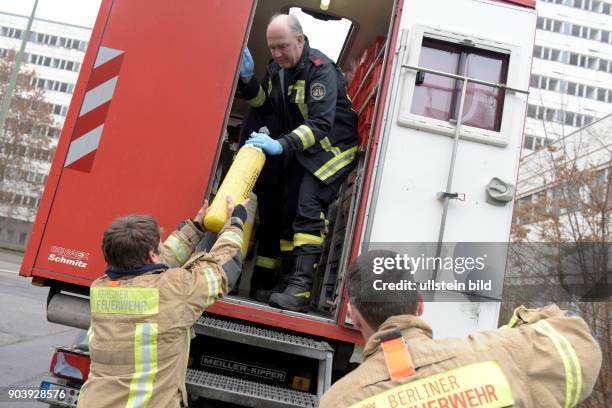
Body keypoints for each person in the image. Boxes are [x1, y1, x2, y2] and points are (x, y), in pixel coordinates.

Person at [320, 250, 603, 408]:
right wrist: (513, 332)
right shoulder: (506, 355)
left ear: (353, 316)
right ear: (419, 304)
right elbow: (578, 342)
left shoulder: (340, 400)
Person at [238, 13, 359, 312]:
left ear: (300, 41)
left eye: (283, 46)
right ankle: (288, 280)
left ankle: (301, 289)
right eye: (272, 48)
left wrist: (281, 144)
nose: (277, 54)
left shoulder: (321, 70)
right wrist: (248, 79)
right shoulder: (278, 70)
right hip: (305, 150)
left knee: (307, 205)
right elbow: (265, 104)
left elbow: (320, 123)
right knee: (289, 208)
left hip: (333, 147)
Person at [77, 197, 246, 408]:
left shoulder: (101, 288)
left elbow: (159, 261)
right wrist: (236, 223)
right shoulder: (174, 290)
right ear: (151, 255)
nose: (163, 246)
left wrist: (196, 227)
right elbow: (221, 271)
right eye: (160, 243)